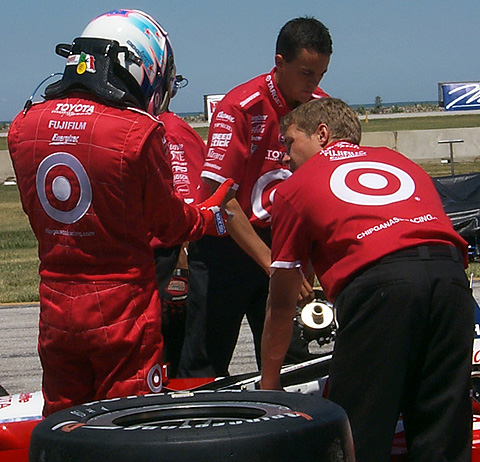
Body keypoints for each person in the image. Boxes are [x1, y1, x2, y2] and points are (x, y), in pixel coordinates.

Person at [7, 9, 231, 416]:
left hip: (55, 304)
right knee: (130, 422)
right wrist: (208, 218)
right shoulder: (138, 132)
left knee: (64, 421)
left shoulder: (24, 125)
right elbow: (168, 223)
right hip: (123, 307)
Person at [260, 97, 475, 461]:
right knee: (443, 431)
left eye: (289, 142)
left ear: (322, 134)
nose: (283, 156)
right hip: (451, 279)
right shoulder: (401, 161)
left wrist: (269, 382)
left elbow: (281, 302)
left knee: (356, 432)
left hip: (382, 287)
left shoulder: (294, 188)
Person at [178, 16, 333, 378]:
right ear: (279, 63)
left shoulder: (321, 110)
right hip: (226, 250)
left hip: (285, 244)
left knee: (292, 364)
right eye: (307, 73)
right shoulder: (240, 107)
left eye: (322, 75)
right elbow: (219, 199)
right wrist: (275, 266)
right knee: (203, 364)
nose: (314, 85)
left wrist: (299, 266)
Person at [152, 84, 209, 378]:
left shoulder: (169, 131)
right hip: (145, 255)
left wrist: (182, 260)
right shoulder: (145, 125)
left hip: (168, 256)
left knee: (171, 349)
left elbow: (189, 198)